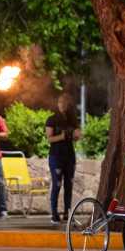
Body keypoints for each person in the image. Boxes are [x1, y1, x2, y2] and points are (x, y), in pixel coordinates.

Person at [45, 93, 81, 224]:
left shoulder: (72, 119)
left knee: (69, 185)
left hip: (69, 156)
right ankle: (54, 214)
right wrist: (62, 136)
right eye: (60, 102)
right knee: (57, 184)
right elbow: (49, 139)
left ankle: (68, 213)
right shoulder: (52, 119)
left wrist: (77, 135)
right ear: (57, 103)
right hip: (56, 156)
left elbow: (78, 135)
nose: (62, 104)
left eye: (65, 102)